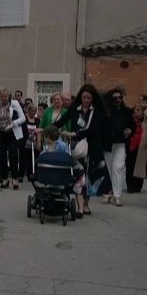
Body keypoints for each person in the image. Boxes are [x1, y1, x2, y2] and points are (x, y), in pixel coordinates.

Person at [54, 84, 109, 218]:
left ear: (93, 98)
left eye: (89, 98)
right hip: (76, 146)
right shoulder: (75, 108)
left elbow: (93, 129)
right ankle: (78, 204)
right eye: (84, 97)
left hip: (92, 146)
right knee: (78, 174)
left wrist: (74, 134)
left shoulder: (98, 110)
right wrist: (48, 129)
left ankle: (85, 204)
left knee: (90, 175)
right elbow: (62, 121)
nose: (86, 100)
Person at [0, 87, 26, 190]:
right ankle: (4, 178)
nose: (3, 98)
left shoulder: (14, 104)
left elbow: (23, 118)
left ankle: (14, 178)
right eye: (1, 96)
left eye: (5, 96)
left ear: (9, 96)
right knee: (2, 156)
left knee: (13, 155)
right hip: (1, 132)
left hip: (12, 132)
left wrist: (14, 123)